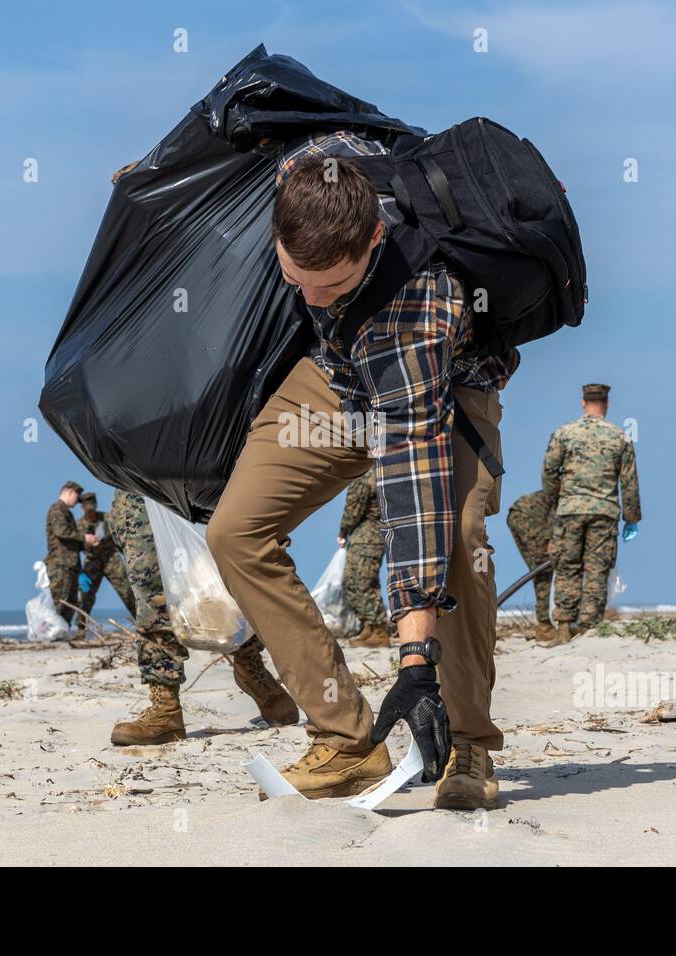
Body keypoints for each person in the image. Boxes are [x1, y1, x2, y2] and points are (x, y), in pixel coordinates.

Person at [205, 131, 513, 810]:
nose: (313, 297)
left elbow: (414, 490)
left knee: (458, 535)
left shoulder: (414, 308)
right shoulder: (301, 168)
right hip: (338, 379)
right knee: (236, 531)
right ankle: (349, 740)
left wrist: (414, 663)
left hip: (441, 389)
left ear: (374, 237)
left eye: (334, 282)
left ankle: (467, 740)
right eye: (296, 276)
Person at [106, 490, 298, 745]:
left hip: (202, 481)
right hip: (140, 489)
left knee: (223, 586)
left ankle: (250, 668)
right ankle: (165, 709)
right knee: (154, 597)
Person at [541, 384, 642, 642]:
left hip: (569, 510)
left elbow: (549, 471)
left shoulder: (565, 433)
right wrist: (631, 518)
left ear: (583, 403)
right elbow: (629, 482)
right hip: (604, 511)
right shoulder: (620, 436)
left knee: (567, 566)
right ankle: (588, 627)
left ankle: (564, 625)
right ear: (607, 404)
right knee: (597, 569)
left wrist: (557, 499)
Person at [338, 471, 394, 648]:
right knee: (352, 582)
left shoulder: (366, 473)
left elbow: (354, 506)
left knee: (362, 582)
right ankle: (368, 626)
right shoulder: (374, 470)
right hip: (364, 537)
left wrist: (343, 530)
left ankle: (379, 631)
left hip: (368, 537)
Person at [76, 491, 137, 637]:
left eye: (93, 509)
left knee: (128, 593)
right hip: (92, 562)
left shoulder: (107, 519)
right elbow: (75, 546)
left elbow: (120, 537)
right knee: (85, 596)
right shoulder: (79, 525)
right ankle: (80, 630)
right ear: (83, 508)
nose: (91, 512)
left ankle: (144, 626)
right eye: (88, 509)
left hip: (112, 559)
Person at [45, 481, 97, 627]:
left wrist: (87, 542)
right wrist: (84, 537)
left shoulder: (66, 511)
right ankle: (54, 632)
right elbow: (61, 532)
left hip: (70, 564)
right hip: (60, 564)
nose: (77, 501)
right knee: (61, 601)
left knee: (71, 602)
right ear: (69, 492)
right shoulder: (57, 509)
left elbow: (71, 540)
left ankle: (62, 630)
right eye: (77, 496)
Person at [507, 490, 555, 635]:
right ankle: (546, 626)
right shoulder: (576, 499)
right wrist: (549, 540)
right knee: (544, 569)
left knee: (541, 567)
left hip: (521, 514)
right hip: (527, 516)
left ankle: (548, 622)